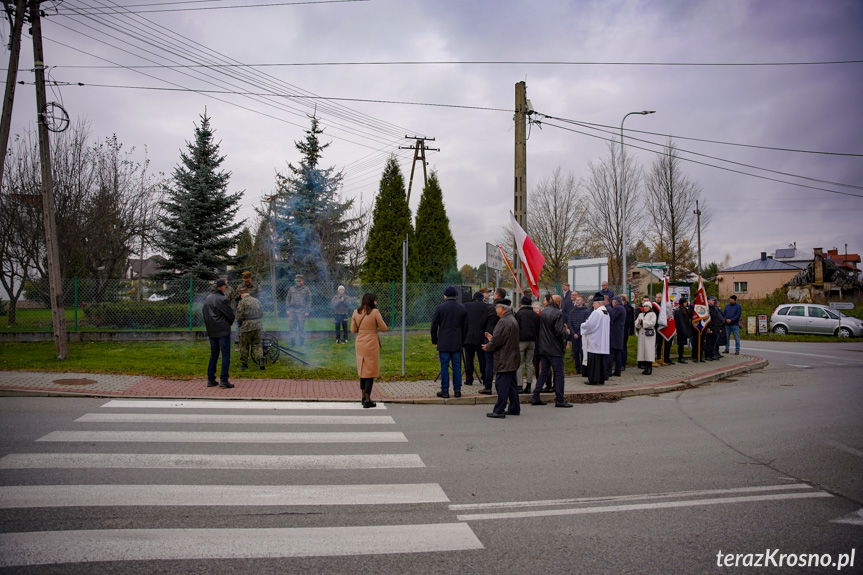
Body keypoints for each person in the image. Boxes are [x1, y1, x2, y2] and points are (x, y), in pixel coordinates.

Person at [530, 294, 572, 408]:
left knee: (544, 373)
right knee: (559, 374)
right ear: (558, 302)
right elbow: (559, 331)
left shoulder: (543, 312)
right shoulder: (558, 313)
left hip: (543, 348)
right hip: (555, 349)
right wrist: (566, 331)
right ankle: (559, 399)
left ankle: (535, 396)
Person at [483, 298, 521, 418]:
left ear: (502, 309)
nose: (495, 310)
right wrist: (492, 339)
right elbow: (503, 338)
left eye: (497, 307)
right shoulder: (512, 319)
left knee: (502, 385)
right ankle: (514, 408)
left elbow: (498, 340)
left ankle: (499, 410)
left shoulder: (503, 321)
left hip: (504, 358)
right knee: (511, 385)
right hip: (512, 357)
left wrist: (488, 346)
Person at [351, 293, 388, 408]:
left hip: (360, 343)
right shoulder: (375, 312)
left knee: (362, 371)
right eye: (375, 300)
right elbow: (384, 328)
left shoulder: (356, 312)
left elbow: (353, 330)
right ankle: (368, 399)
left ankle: (363, 397)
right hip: (371, 343)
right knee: (370, 372)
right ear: (372, 301)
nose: (376, 302)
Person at [430, 286, 468, 399]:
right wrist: (463, 341)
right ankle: (457, 391)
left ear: (445, 295)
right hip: (457, 342)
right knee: (457, 367)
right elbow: (466, 327)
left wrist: (434, 340)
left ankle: (445, 391)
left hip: (444, 342)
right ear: (455, 295)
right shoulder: (462, 308)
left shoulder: (440, 307)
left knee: (444, 367)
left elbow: (434, 326)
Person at [202, 279, 235, 389]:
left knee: (214, 354)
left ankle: (211, 380)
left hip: (212, 331)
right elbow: (230, 315)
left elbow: (205, 314)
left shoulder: (208, 298)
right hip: (223, 330)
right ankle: (224, 380)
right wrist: (227, 324)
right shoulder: (223, 299)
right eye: (225, 286)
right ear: (221, 287)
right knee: (225, 356)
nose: (225, 288)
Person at [480, 287, 507, 395]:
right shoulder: (507, 308)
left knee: (489, 363)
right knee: (502, 363)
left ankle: (488, 387)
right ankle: (502, 386)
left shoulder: (491, 308)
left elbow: (482, 321)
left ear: (497, 295)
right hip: (503, 338)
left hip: (490, 337)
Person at [580, 293, 610, 386]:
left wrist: (582, 325)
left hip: (595, 341)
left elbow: (590, 325)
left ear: (598, 303)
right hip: (603, 342)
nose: (593, 305)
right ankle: (601, 378)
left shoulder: (596, 312)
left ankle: (593, 379)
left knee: (594, 362)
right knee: (601, 361)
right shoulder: (606, 312)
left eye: (594, 303)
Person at [463, 291, 489, 387]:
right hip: (481, 337)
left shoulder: (466, 305)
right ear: (482, 298)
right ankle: (485, 378)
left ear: (473, 298)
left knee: (469, 359)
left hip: (468, 337)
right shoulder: (486, 307)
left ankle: (469, 379)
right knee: (482, 359)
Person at [235, 287, 265, 371]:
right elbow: (261, 313)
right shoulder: (256, 300)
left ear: (241, 294)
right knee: (257, 344)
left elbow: (239, 315)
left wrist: (239, 323)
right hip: (258, 325)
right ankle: (261, 360)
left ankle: (244, 364)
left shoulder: (242, 302)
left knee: (244, 345)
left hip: (246, 326)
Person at [515, 294, 539, 394]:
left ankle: (519, 386)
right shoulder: (534, 314)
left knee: (519, 364)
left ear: (522, 303)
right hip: (532, 342)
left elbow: (516, 327)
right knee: (529, 363)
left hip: (521, 341)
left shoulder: (519, 314)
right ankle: (529, 386)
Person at [286, 274, 312, 347]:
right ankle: (292, 343)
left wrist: (307, 311)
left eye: (299, 281)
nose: (298, 282)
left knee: (301, 327)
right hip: (292, 310)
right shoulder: (291, 288)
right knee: (291, 327)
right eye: (296, 281)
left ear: (302, 281)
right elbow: (287, 299)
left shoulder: (306, 289)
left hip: (301, 310)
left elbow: (309, 300)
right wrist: (287, 309)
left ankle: (302, 344)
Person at [567, 295, 590, 375]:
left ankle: (584, 369)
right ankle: (577, 368)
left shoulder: (586, 311)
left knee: (583, 352)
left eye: (579, 300)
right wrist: (573, 333)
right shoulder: (572, 311)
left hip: (582, 335)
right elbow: (569, 323)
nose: (577, 301)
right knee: (575, 352)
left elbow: (586, 323)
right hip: (574, 336)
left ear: (583, 302)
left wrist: (579, 333)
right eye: (576, 300)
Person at [635, 300, 658, 374]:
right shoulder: (641, 314)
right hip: (642, 334)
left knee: (649, 351)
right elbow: (636, 323)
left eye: (646, 306)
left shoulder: (653, 314)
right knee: (643, 351)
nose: (645, 307)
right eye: (644, 306)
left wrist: (643, 323)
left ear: (650, 307)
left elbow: (652, 323)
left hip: (649, 334)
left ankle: (649, 368)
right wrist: (638, 323)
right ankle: (645, 367)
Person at [607, 296, 626, 377]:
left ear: (615, 302)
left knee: (612, 353)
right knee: (618, 353)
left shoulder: (617, 308)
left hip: (614, 333)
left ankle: (608, 371)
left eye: (613, 302)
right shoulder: (622, 308)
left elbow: (612, 318)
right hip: (619, 333)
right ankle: (617, 371)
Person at [654, 293, 674, 366]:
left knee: (661, 343)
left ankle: (661, 358)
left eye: (660, 297)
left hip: (662, 327)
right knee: (656, 344)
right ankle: (655, 358)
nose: (658, 299)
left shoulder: (664, 306)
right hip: (656, 327)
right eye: (657, 297)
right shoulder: (654, 305)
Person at [673, 296, 692, 364]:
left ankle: (681, 357)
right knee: (680, 345)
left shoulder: (685, 309)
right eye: (686, 302)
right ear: (683, 303)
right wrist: (684, 330)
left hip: (684, 330)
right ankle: (680, 358)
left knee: (682, 344)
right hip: (681, 330)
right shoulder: (678, 310)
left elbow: (690, 315)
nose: (687, 303)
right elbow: (680, 321)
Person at [621, 294, 635, 371]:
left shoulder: (628, 308)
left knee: (623, 346)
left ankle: (623, 364)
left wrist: (632, 330)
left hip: (625, 329)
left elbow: (631, 320)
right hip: (621, 330)